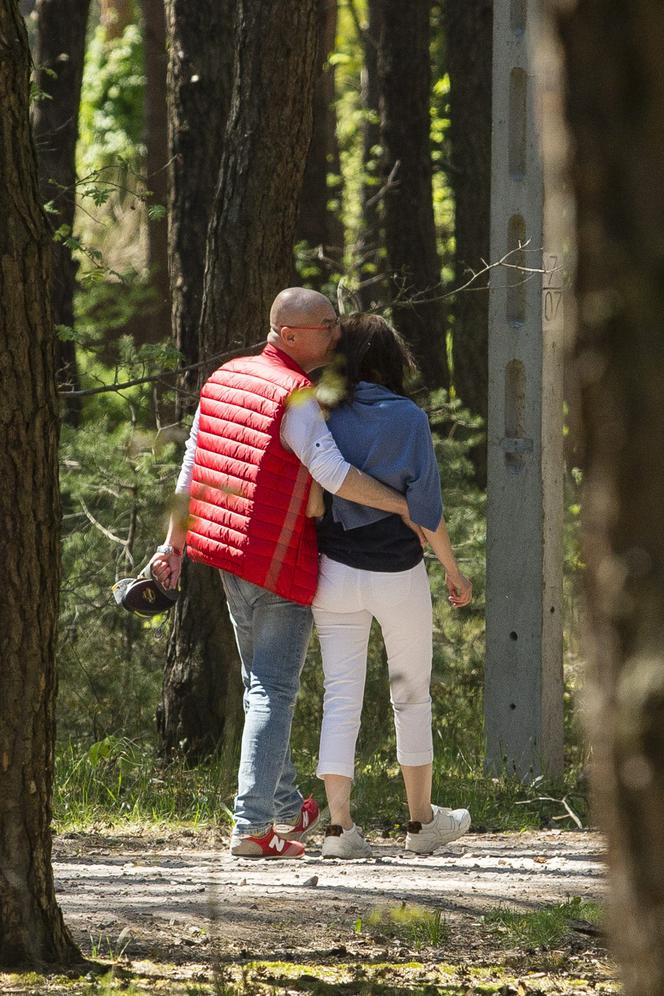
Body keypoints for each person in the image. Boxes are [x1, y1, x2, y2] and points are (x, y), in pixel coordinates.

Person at [151, 288, 418, 859]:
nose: (338, 334)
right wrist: (402, 505)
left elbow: (192, 464)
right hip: (274, 558)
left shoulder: (225, 376)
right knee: (273, 689)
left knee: (259, 686)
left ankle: (285, 806)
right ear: (290, 334)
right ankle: (251, 826)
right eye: (328, 326)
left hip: (223, 552)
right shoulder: (295, 396)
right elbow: (334, 473)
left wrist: (173, 545)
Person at [310, 313, 473, 859]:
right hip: (397, 575)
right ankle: (421, 823)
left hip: (332, 572)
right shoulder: (408, 418)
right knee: (411, 696)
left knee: (340, 697)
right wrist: (453, 571)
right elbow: (426, 510)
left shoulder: (322, 411)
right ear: (392, 358)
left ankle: (339, 830)